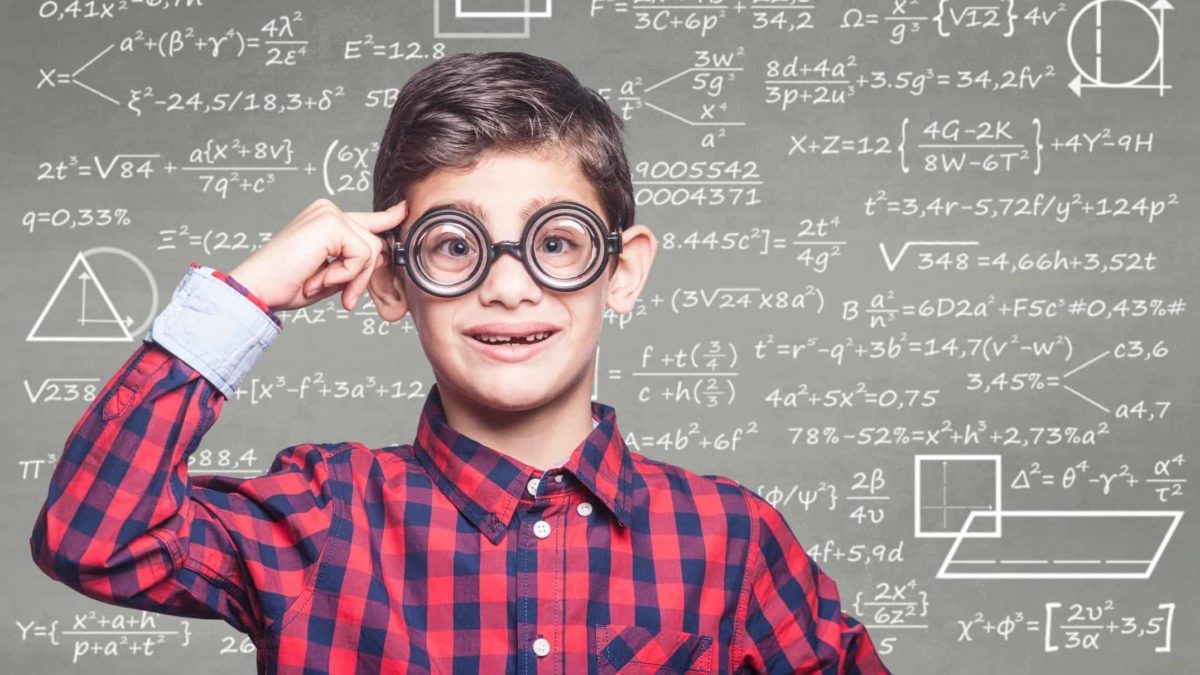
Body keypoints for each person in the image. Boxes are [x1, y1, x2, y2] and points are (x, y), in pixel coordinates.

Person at [29, 51, 891, 674]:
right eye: (454, 246)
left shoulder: (727, 540)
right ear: (395, 280)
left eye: (556, 242)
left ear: (620, 271)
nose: (510, 288)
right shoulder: (322, 520)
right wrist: (250, 295)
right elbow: (93, 535)